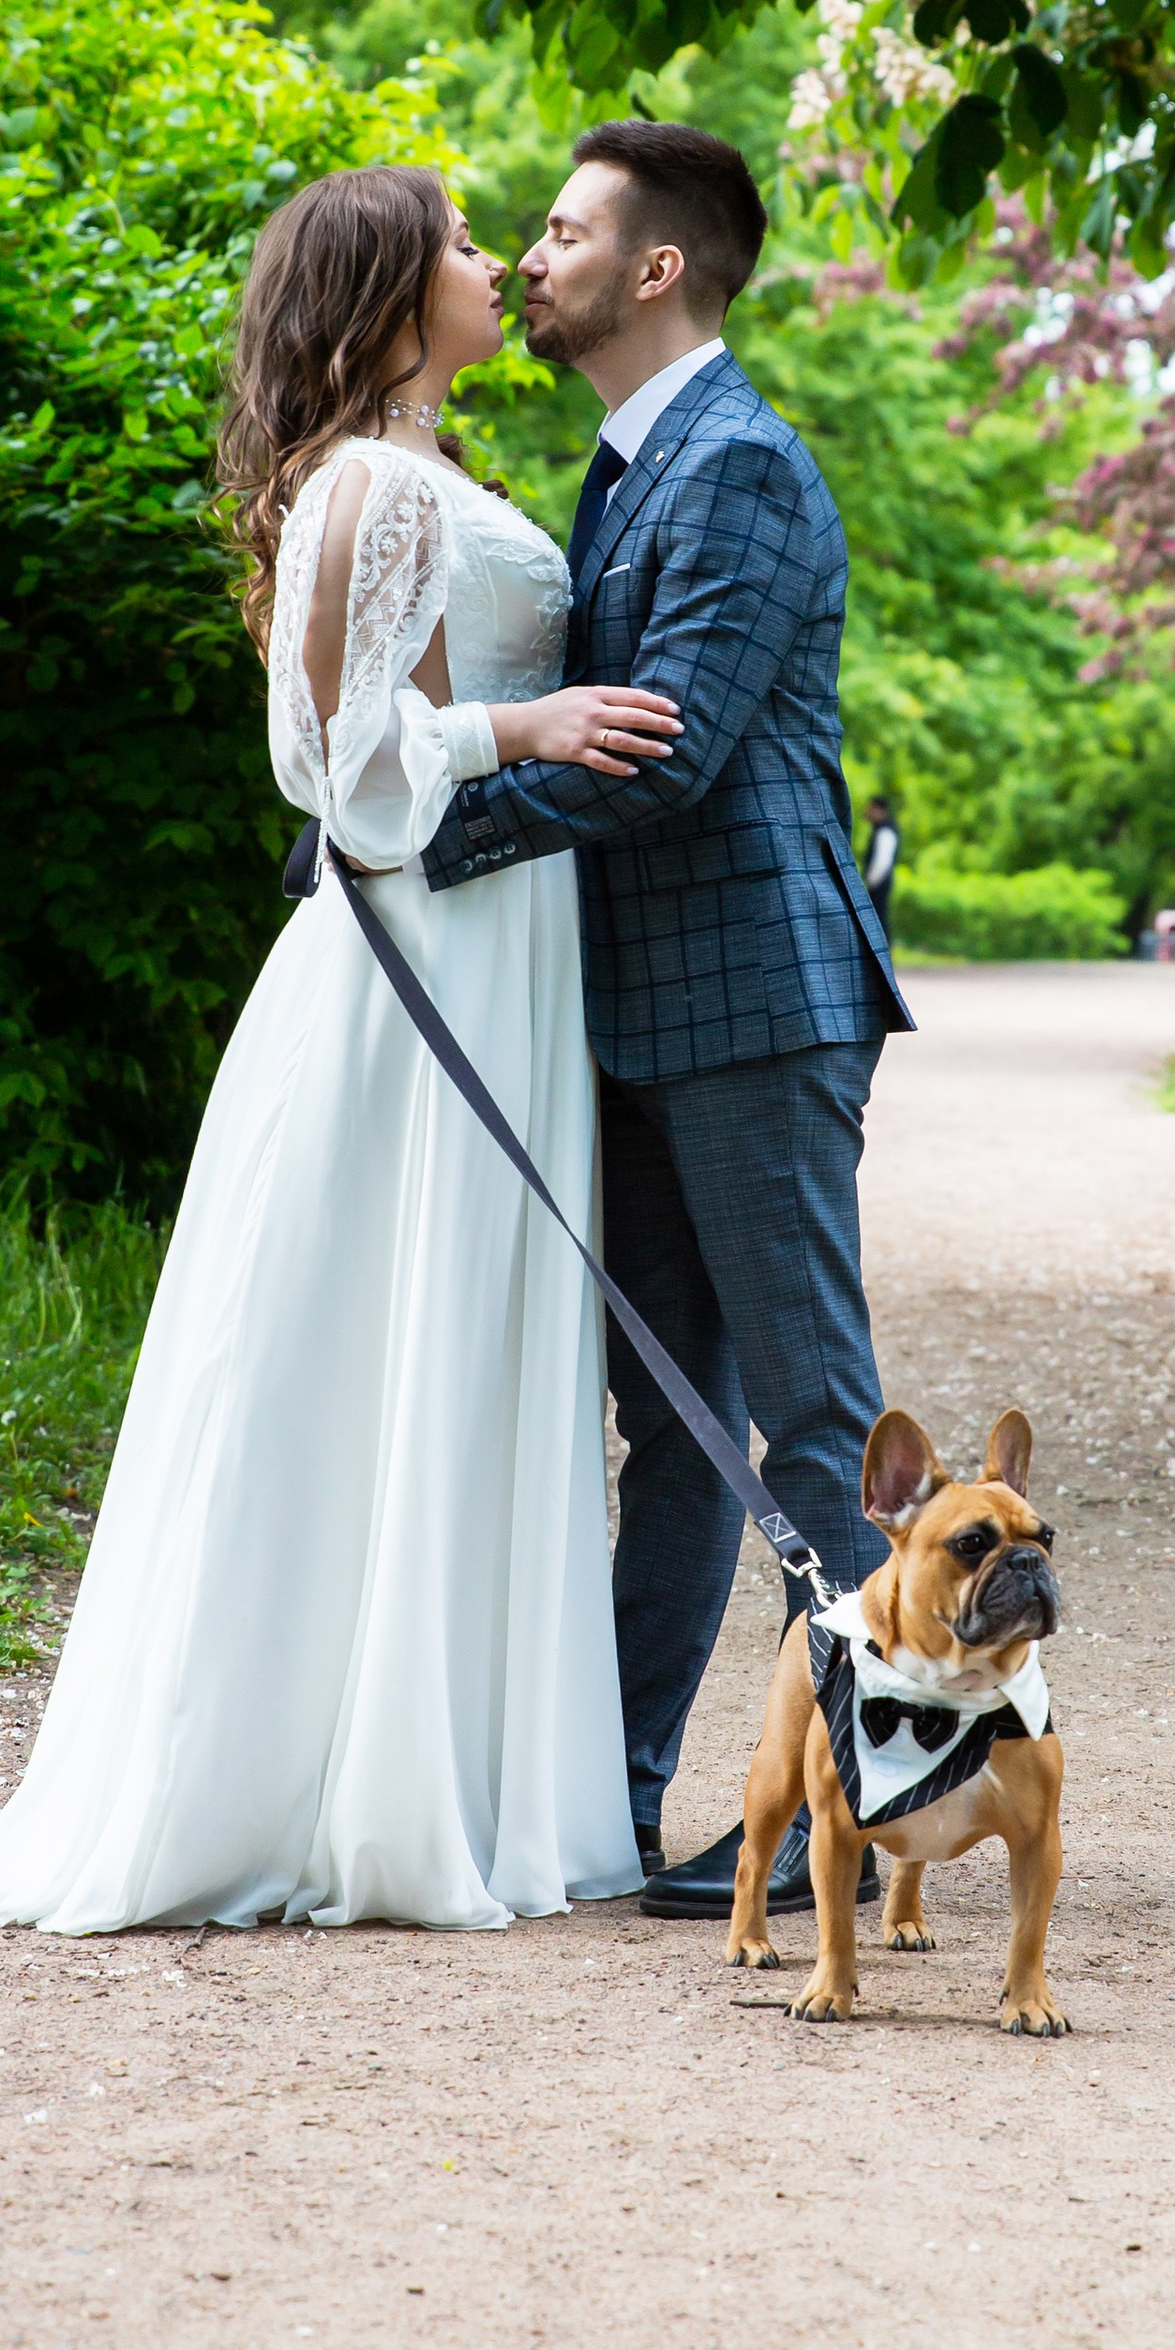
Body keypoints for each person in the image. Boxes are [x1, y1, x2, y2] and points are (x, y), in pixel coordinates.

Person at [0, 162, 682, 1932]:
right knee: (398, 1338)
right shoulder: (375, 487)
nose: (497, 263)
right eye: (465, 244)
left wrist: (501, 729)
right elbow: (339, 774)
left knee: (438, 1346)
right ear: (391, 291)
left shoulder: (415, 472)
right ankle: (372, 1789)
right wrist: (525, 728)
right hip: (431, 958)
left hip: (496, 946)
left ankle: (441, 1770)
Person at [422, 120, 911, 1913]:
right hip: (637, 1015)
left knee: (808, 1415)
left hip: (757, 1003)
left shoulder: (742, 465)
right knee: (681, 1433)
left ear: (656, 268)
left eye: (561, 233)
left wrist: (429, 835)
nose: (527, 259)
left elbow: (673, 752)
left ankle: (862, 1798)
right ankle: (612, 1803)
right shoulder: (631, 464)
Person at [861, 793, 902, 951]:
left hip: (879, 882)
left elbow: (882, 861)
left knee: (878, 918)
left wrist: (870, 881)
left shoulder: (886, 830)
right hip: (879, 882)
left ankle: (882, 950)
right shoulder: (881, 829)